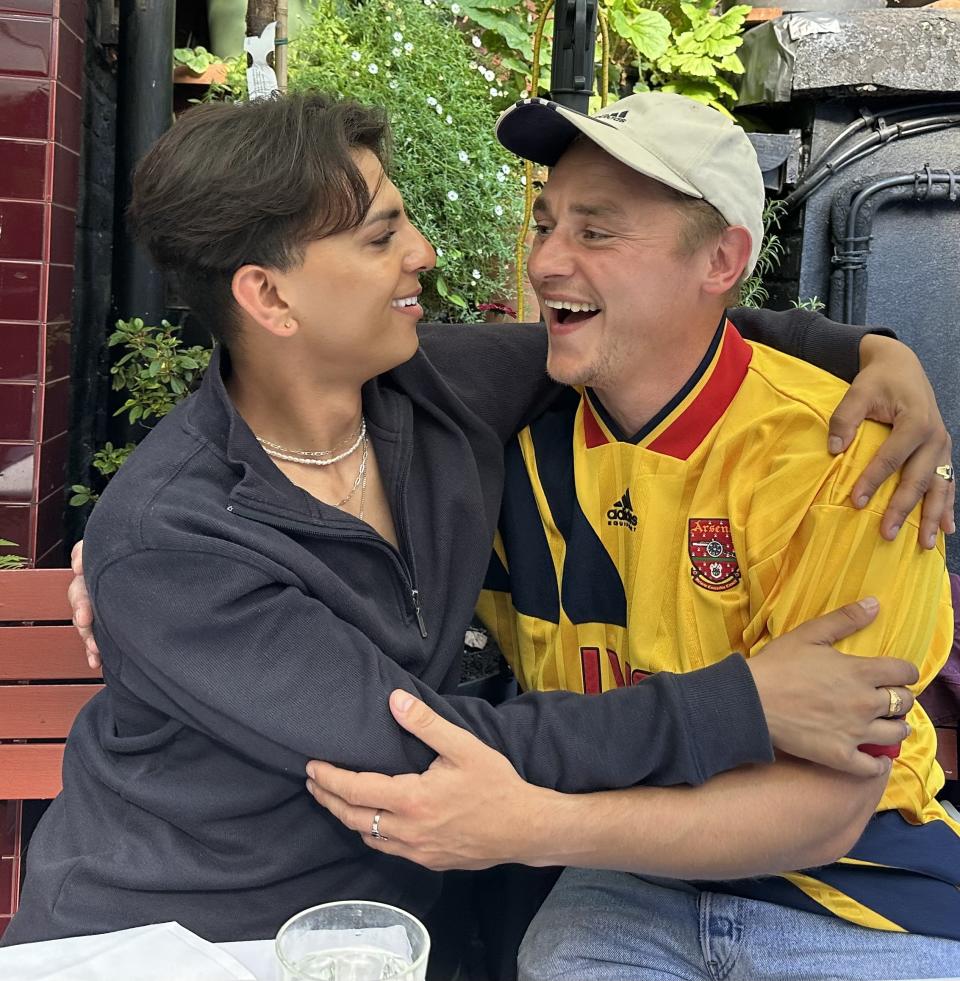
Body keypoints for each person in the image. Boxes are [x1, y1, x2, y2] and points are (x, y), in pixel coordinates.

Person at [42, 90, 948, 966]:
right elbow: (417, 742)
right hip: (174, 931)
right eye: (381, 235)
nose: (426, 253)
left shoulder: (439, 393)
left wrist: (878, 353)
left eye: (591, 229)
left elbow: (684, 331)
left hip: (402, 921)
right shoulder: (170, 537)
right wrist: (743, 701)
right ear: (270, 299)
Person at [303, 93, 960, 979]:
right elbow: (290, 407)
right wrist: (136, 550)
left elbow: (825, 810)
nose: (545, 261)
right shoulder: (501, 444)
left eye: (597, 232)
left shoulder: (848, 457)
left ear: (722, 257)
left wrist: (531, 825)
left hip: (861, 892)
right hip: (624, 877)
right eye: (545, 224)